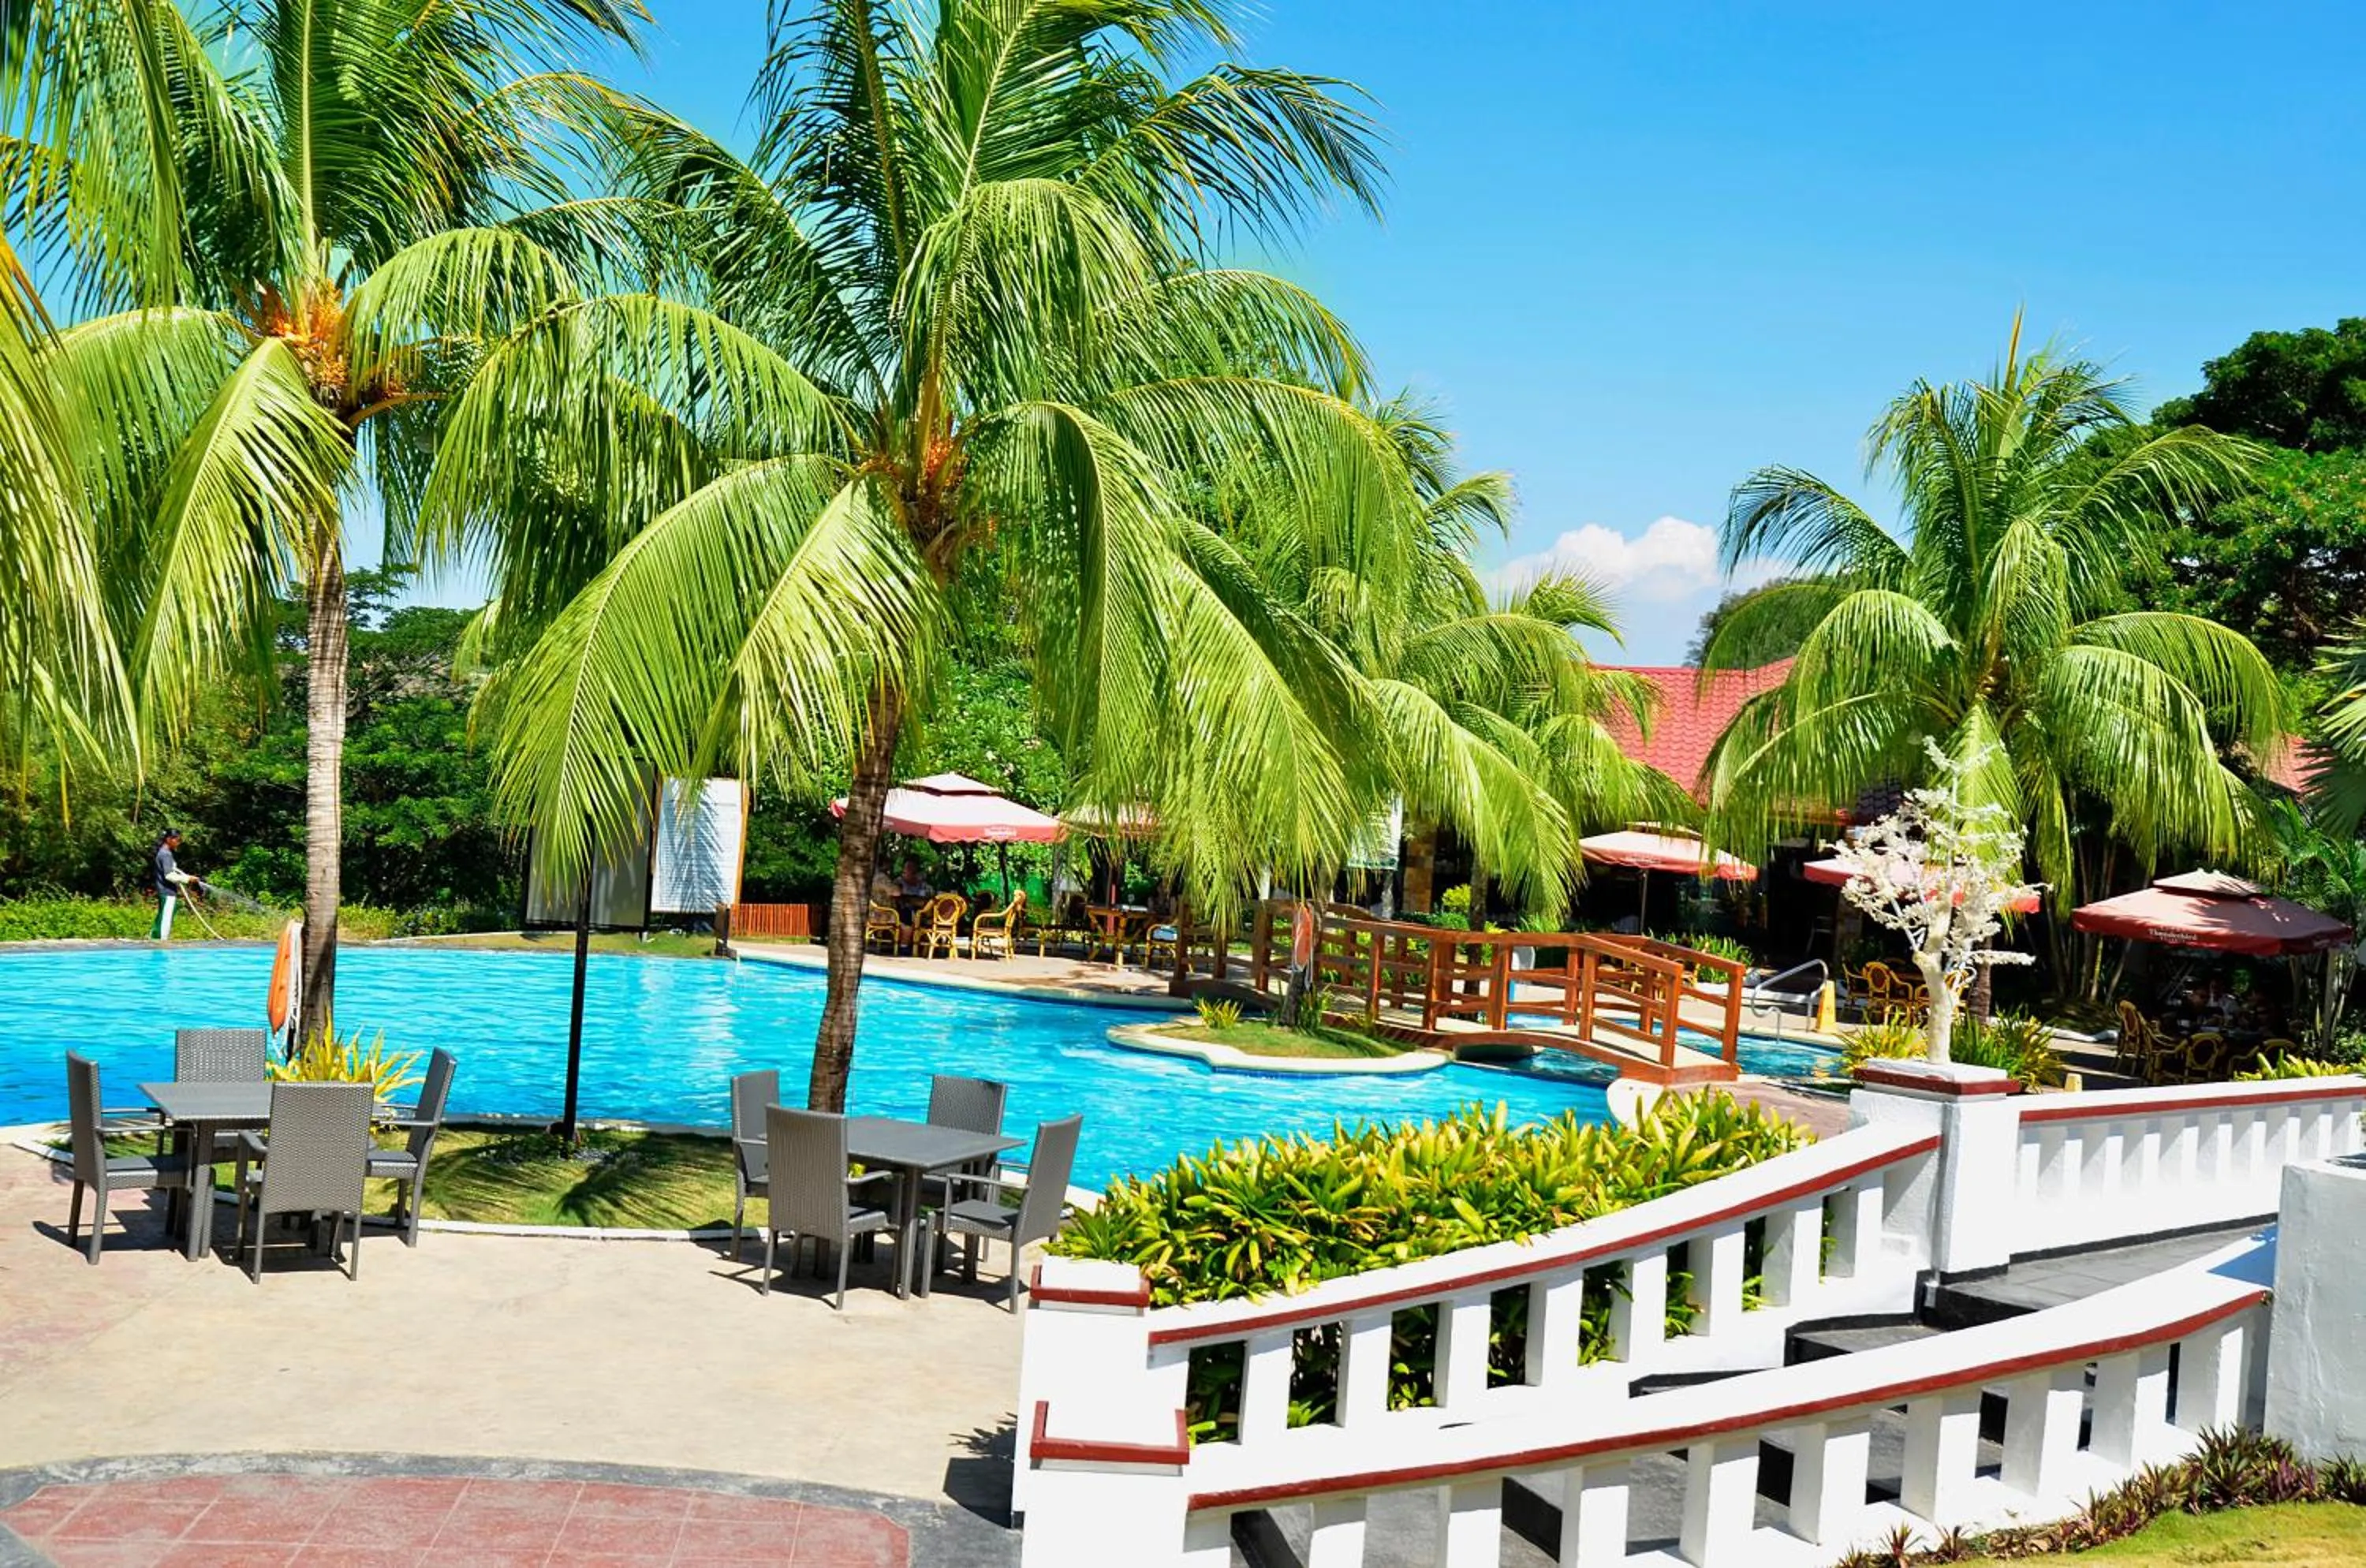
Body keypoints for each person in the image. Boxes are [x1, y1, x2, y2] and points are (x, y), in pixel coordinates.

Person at [149, 829, 197, 940]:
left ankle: (154, 939)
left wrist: (187, 878)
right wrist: (188, 879)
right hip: (167, 892)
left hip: (165, 892)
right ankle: (161, 943)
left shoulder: (163, 853)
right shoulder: (166, 854)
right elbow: (169, 875)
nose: (179, 843)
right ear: (169, 839)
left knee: (162, 917)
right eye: (177, 840)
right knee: (165, 919)